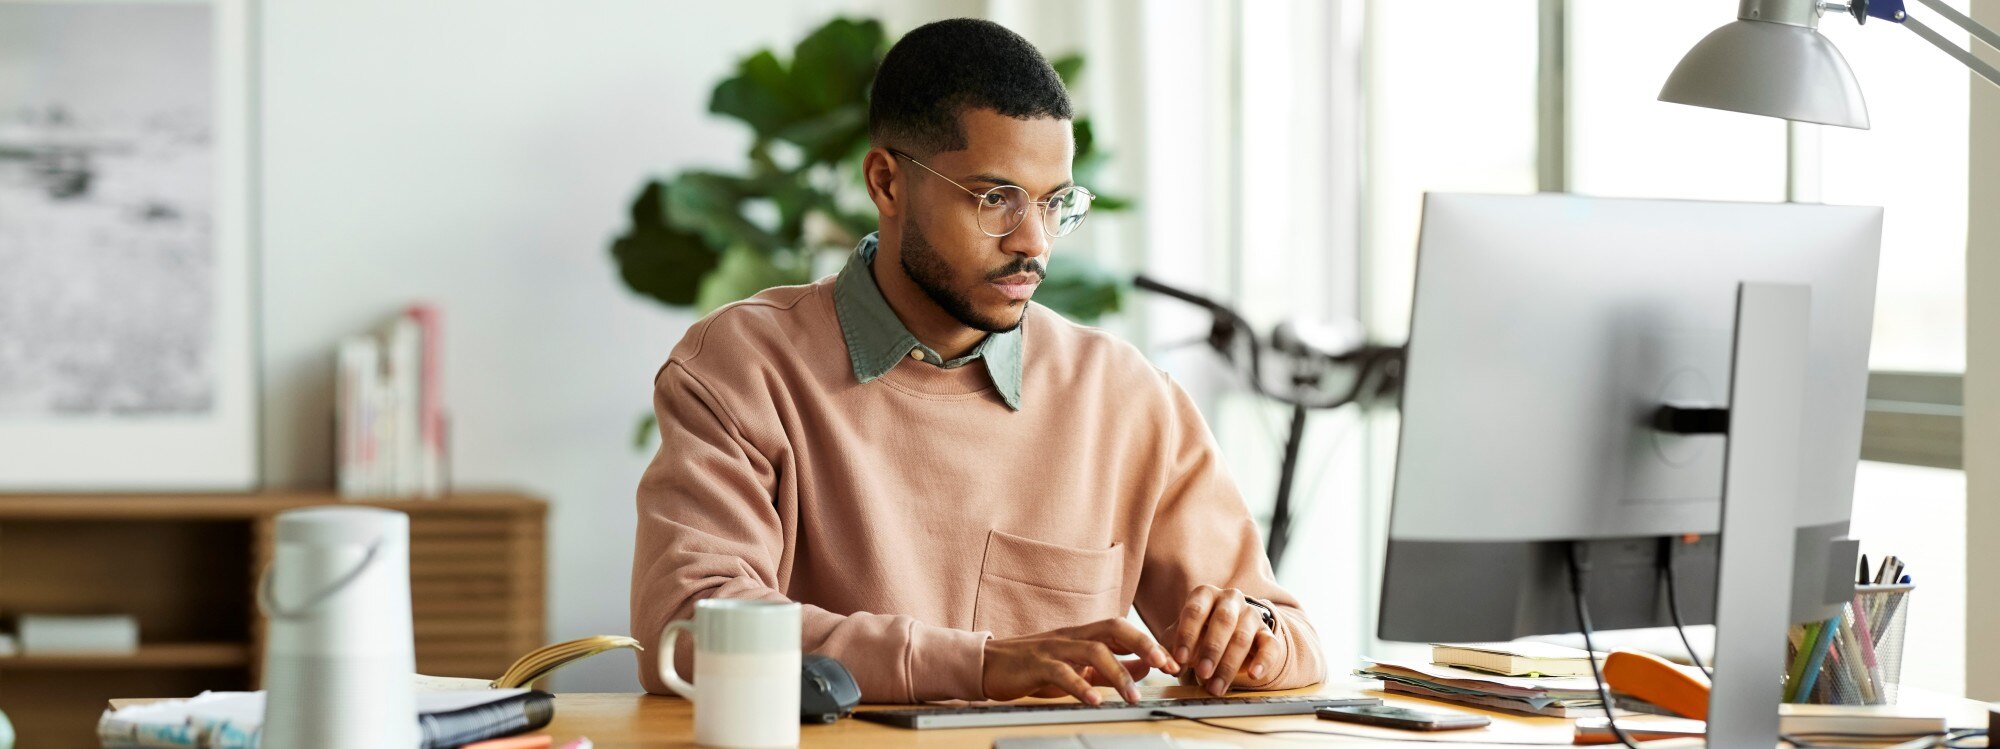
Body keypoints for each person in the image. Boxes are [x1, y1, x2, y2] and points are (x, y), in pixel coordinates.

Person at [631, 17, 1325, 705]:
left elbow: (1290, 634)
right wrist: (983, 664)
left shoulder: (1125, 396)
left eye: (1056, 204)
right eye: (996, 199)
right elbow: (688, 630)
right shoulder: (742, 368)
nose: (1035, 243)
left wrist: (1253, 637)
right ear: (887, 183)